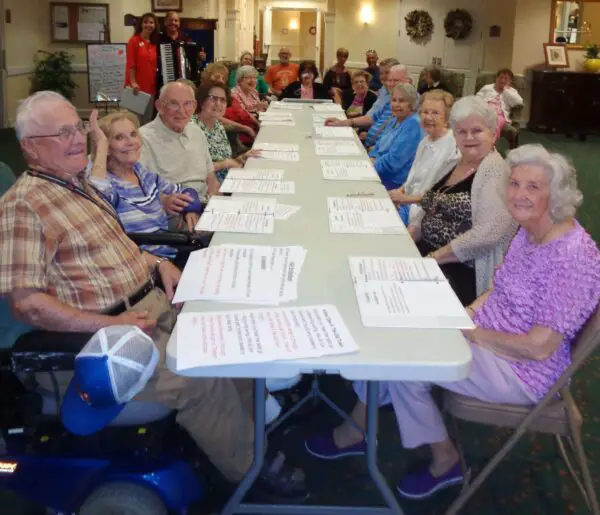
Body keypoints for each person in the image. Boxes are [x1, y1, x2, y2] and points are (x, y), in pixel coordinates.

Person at [0, 91, 307, 500]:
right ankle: (248, 468)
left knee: (227, 344)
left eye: (77, 128)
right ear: (29, 148)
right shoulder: (24, 205)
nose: (77, 139)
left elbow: (119, 248)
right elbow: (26, 302)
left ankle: (245, 438)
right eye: (61, 133)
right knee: (199, 378)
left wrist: (156, 263)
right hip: (107, 343)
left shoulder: (76, 186)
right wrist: (111, 325)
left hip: (148, 307)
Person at [306, 143, 600, 501]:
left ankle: (442, 459)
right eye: (515, 184)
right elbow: (499, 288)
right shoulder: (530, 228)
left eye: (533, 187)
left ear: (556, 195)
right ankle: (359, 426)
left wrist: (472, 333)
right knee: (395, 323)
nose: (518, 195)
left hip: (523, 370)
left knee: (405, 360)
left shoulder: (571, 256)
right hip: (491, 335)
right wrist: (468, 312)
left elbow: (539, 348)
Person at [408, 96, 516, 304]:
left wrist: (431, 260)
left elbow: (487, 234)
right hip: (427, 255)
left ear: (493, 134)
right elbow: (428, 208)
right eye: (461, 131)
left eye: (477, 131)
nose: (469, 137)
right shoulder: (451, 164)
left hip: (460, 270)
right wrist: (407, 238)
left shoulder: (496, 173)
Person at [88, 110, 202, 270]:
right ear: (107, 147)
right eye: (119, 137)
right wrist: (100, 146)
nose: (130, 142)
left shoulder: (142, 173)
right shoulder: (107, 183)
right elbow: (95, 198)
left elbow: (186, 190)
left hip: (172, 252)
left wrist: (190, 209)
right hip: (146, 265)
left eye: (133, 134)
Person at [139, 81, 220, 222]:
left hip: (204, 206)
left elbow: (210, 176)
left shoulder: (196, 132)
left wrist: (215, 199)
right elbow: (136, 189)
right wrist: (165, 201)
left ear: (195, 106)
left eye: (187, 104)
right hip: (172, 214)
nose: (182, 111)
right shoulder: (142, 139)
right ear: (159, 106)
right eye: (174, 104)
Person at [389, 90, 460, 225]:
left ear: (447, 117)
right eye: (425, 112)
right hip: (407, 205)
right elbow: (413, 179)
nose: (428, 117)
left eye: (435, 113)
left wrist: (405, 199)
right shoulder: (424, 141)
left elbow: (441, 195)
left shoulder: (453, 147)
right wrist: (399, 191)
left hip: (424, 214)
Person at [326, 64, 410, 149]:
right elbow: (371, 118)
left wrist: (373, 151)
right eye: (390, 80)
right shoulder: (389, 102)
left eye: (396, 80)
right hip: (366, 143)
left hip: (371, 147)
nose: (391, 84)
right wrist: (341, 123)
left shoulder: (408, 108)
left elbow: (393, 142)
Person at [194, 81, 258, 183]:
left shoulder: (218, 126)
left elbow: (226, 160)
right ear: (201, 101)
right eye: (213, 98)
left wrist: (242, 157)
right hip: (208, 189)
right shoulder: (192, 128)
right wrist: (226, 163)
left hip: (229, 181)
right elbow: (192, 169)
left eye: (223, 100)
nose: (218, 104)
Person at [368, 84, 424, 191]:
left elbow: (393, 163)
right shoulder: (395, 119)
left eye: (402, 101)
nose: (396, 104)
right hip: (377, 172)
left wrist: (369, 166)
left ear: (411, 104)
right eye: (394, 100)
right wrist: (371, 158)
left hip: (393, 183)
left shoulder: (413, 125)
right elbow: (377, 146)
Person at [476, 68, 523, 145]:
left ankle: (490, 144)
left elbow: (519, 102)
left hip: (499, 116)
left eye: (506, 78)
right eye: (500, 77)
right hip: (485, 113)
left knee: (496, 120)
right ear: (496, 78)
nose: (503, 80)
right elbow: (477, 98)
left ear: (510, 81)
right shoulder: (487, 88)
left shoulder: (512, 91)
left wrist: (506, 90)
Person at [156, 11, 199, 91]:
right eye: (170, 20)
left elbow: (193, 61)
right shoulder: (159, 39)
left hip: (184, 81)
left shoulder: (185, 39)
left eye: (176, 21)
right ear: (165, 22)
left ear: (179, 23)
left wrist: (200, 57)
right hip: (164, 80)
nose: (173, 23)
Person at [125, 13, 159, 98]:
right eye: (145, 22)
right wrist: (133, 82)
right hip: (136, 86)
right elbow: (131, 64)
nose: (148, 25)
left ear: (155, 25)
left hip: (151, 87)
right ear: (141, 24)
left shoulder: (154, 44)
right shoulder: (133, 41)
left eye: (151, 22)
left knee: (149, 111)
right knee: (134, 111)